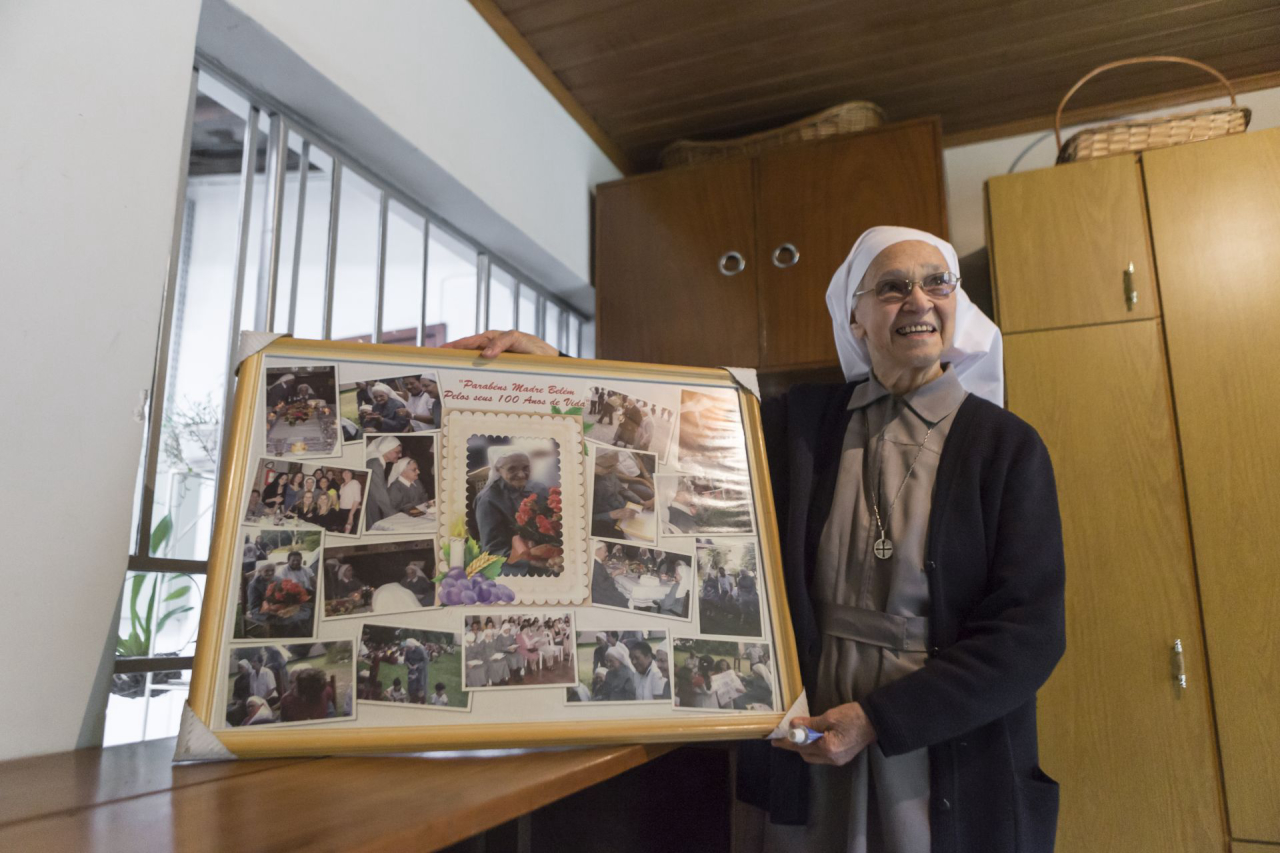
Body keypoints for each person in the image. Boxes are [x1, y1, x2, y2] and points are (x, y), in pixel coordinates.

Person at [445, 224, 1067, 853]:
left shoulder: (1007, 446)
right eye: (893, 286)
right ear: (855, 317)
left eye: (937, 282)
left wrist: (881, 719)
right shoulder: (803, 424)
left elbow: (1030, 634)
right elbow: (673, 444)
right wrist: (562, 373)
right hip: (810, 724)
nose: (918, 299)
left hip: (935, 738)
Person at [473, 449, 551, 573]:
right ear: (498, 470)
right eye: (512, 469)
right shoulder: (488, 500)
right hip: (510, 561)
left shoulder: (539, 488)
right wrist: (532, 560)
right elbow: (493, 550)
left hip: (546, 552)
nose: (521, 474)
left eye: (526, 468)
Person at [591, 450, 652, 539]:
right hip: (607, 523)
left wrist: (640, 501)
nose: (614, 469)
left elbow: (621, 489)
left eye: (615, 465)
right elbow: (584, 520)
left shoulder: (609, 471)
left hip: (627, 510)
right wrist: (612, 515)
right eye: (610, 466)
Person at [364, 436, 401, 529]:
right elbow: (380, 496)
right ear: (386, 450)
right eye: (397, 452)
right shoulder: (375, 464)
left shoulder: (378, 463)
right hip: (369, 506)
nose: (400, 455)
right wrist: (396, 517)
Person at [403, 637, 429, 703]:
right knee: (411, 686)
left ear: (413, 646)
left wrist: (417, 665)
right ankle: (412, 699)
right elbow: (406, 660)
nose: (408, 649)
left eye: (409, 647)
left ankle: (422, 700)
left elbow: (426, 661)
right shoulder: (407, 650)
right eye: (407, 647)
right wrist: (409, 665)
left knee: (421, 685)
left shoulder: (421, 649)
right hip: (412, 670)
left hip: (421, 670)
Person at [337, 468, 363, 534]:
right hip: (342, 510)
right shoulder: (342, 485)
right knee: (342, 531)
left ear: (352, 474)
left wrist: (351, 514)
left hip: (351, 511)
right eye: (344, 472)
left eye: (348, 472)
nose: (346, 474)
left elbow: (357, 499)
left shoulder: (354, 483)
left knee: (350, 532)